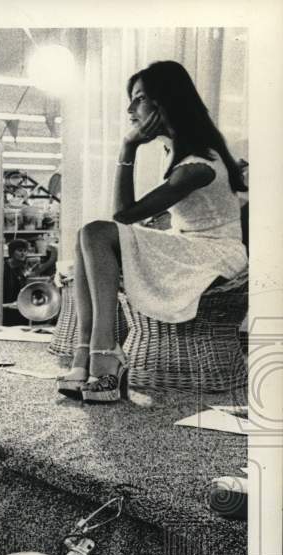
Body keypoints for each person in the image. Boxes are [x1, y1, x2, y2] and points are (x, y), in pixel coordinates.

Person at [57, 60, 248, 404]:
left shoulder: (197, 167)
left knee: (98, 231)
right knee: (85, 234)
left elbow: (122, 215)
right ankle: (84, 353)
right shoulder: (179, 151)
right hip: (191, 245)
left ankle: (103, 354)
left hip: (216, 255)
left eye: (140, 99)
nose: (131, 108)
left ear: (165, 102)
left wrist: (127, 147)